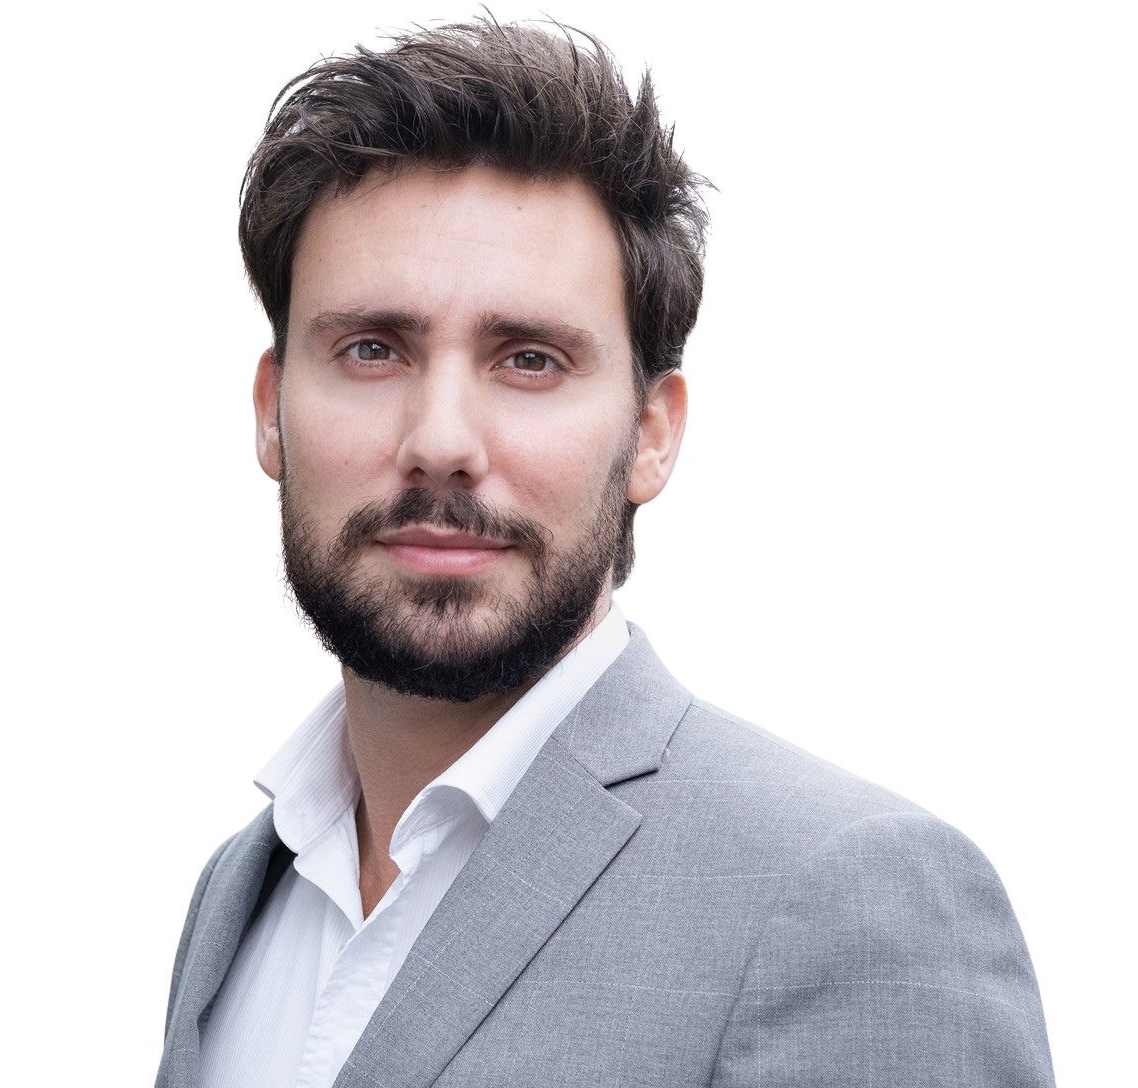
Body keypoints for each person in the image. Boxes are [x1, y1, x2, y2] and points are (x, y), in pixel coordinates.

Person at [157, 17, 1056, 1088]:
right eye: (370, 348)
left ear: (650, 433)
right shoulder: (240, 893)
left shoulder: (849, 901)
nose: (440, 440)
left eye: (528, 359)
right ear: (271, 410)